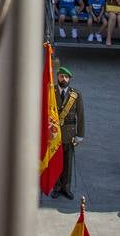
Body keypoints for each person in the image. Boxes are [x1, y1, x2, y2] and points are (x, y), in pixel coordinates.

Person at [50, 65, 83, 201]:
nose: (63, 79)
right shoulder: (51, 92)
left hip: (69, 134)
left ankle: (66, 188)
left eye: (66, 77)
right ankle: (56, 187)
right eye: (61, 76)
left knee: (68, 163)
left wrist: (80, 135)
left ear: (70, 79)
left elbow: (80, 116)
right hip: (54, 134)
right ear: (57, 77)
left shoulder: (76, 95)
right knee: (55, 161)